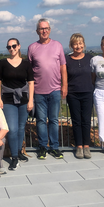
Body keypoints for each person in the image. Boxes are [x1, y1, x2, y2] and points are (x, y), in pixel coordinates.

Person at [28, 18, 67, 160]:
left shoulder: (58, 45)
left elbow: (63, 67)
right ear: (37, 31)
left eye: (46, 28)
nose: (44, 31)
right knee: (40, 121)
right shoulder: (32, 48)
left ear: (50, 30)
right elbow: (30, 71)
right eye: (41, 29)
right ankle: (43, 146)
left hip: (55, 89)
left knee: (54, 120)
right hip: (38, 91)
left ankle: (55, 147)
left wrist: (64, 85)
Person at [0, 38, 34, 170]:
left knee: (21, 127)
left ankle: (18, 152)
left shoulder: (26, 64)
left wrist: (31, 100)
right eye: (9, 47)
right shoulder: (2, 63)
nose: (11, 49)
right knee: (12, 129)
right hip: (8, 99)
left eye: (14, 46)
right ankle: (14, 157)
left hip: (23, 99)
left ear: (19, 46)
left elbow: (31, 82)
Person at [66, 34, 94, 159]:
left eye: (80, 43)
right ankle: (79, 146)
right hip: (72, 93)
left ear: (84, 44)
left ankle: (86, 146)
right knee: (76, 121)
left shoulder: (90, 58)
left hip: (87, 92)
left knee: (86, 120)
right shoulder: (67, 59)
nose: (78, 46)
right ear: (71, 46)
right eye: (75, 44)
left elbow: (94, 74)